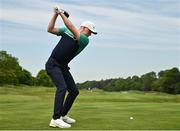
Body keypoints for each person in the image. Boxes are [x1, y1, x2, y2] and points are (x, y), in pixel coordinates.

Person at [45, 6, 97, 128]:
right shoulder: (66, 31)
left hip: (63, 67)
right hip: (53, 64)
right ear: (84, 28)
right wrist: (56, 14)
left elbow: (71, 27)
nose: (90, 35)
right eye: (90, 31)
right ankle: (55, 119)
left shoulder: (84, 40)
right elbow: (50, 29)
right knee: (62, 87)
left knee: (74, 91)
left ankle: (63, 115)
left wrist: (61, 13)